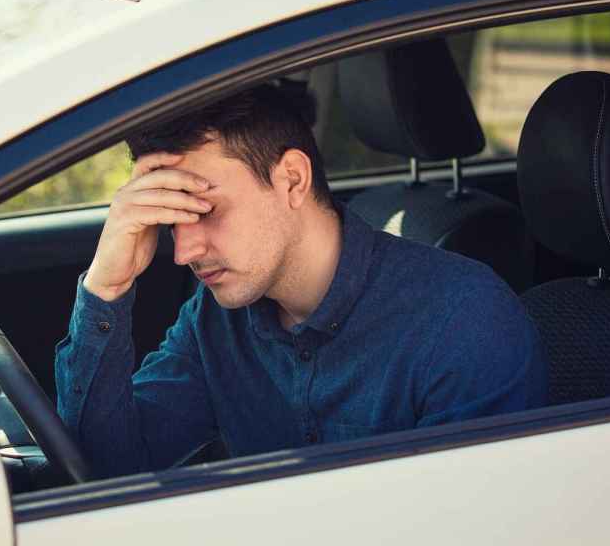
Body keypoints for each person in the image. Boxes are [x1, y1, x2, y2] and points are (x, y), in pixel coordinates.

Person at [55, 84, 546, 478]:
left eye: (204, 210)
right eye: (172, 221)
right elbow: (111, 472)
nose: (184, 252)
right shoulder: (216, 319)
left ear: (292, 179)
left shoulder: (464, 323)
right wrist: (107, 288)